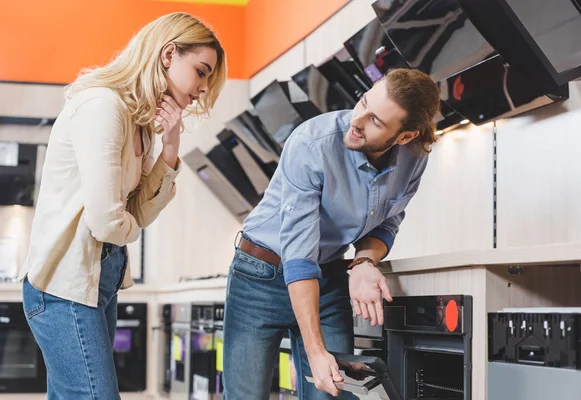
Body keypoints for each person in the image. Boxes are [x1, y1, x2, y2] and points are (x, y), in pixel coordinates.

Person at [18, 12, 226, 399]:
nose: (203, 87)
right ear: (168, 55)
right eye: (201, 71)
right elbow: (105, 222)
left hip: (100, 277)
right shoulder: (103, 107)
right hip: (66, 284)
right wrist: (127, 224)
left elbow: (137, 213)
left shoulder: (139, 125)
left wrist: (172, 147)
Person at [223, 68, 440, 399]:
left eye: (376, 122)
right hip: (260, 278)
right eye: (363, 103)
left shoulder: (414, 157)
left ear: (405, 136)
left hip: (327, 279)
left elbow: (386, 221)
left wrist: (364, 262)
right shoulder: (311, 144)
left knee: (332, 393)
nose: (358, 120)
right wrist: (315, 353)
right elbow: (299, 256)